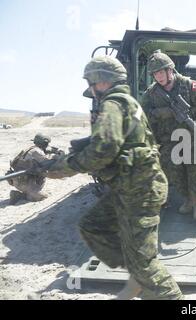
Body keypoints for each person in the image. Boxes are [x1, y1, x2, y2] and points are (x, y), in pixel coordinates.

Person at [46, 55, 183, 300]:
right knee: (92, 225)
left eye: (91, 82)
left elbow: (104, 150)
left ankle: (152, 282)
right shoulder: (128, 103)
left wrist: (64, 167)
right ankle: (137, 273)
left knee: (144, 263)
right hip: (129, 188)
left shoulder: (113, 103)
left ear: (101, 81)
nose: (90, 88)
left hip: (140, 191)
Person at [140, 51, 196, 220]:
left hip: (191, 136)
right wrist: (161, 113)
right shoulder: (151, 94)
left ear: (170, 70)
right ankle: (187, 200)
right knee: (173, 169)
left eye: (161, 72)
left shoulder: (189, 85)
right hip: (168, 139)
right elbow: (143, 117)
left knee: (195, 166)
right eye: (155, 73)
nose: (159, 76)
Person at [7, 133, 54, 204]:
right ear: (44, 143)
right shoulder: (37, 151)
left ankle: (20, 194)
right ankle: (21, 195)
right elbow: (47, 163)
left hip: (16, 181)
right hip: (25, 183)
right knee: (43, 196)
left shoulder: (29, 149)